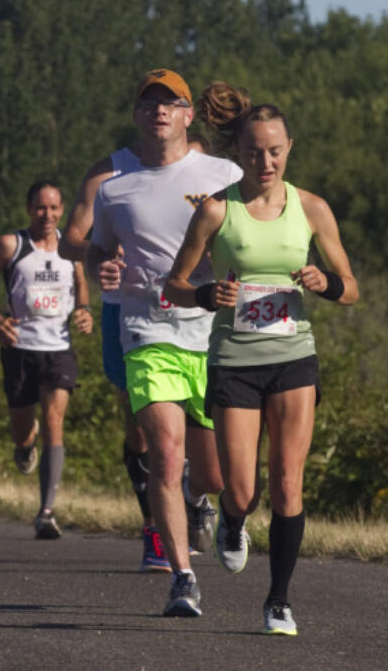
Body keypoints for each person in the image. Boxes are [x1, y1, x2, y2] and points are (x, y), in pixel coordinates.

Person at [165, 90, 358, 636]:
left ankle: (278, 602)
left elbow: (351, 290)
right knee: (243, 489)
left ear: (289, 149)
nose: (265, 163)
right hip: (235, 360)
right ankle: (231, 519)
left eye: (275, 151)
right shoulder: (216, 210)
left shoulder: (312, 208)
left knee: (289, 486)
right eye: (254, 153)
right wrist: (206, 297)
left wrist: (326, 283)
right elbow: (174, 285)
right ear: (239, 153)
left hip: (294, 356)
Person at [86, 68, 242, 617]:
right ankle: (183, 576)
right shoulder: (114, 188)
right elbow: (96, 249)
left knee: (215, 475)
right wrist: (103, 266)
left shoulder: (224, 172)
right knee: (164, 454)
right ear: (137, 114)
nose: (159, 111)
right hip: (147, 331)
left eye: (170, 102)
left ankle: (201, 503)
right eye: (149, 102)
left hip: (213, 337)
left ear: (187, 115)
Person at [0, 182, 92, 538]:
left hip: (58, 347)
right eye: (41, 208)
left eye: (55, 208)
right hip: (19, 348)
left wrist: (84, 309)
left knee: (55, 419)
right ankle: (25, 445)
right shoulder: (12, 245)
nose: (48, 215)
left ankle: (46, 511)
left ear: (62, 210)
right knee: (23, 430)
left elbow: (82, 284)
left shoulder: (72, 248)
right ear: (29, 209)